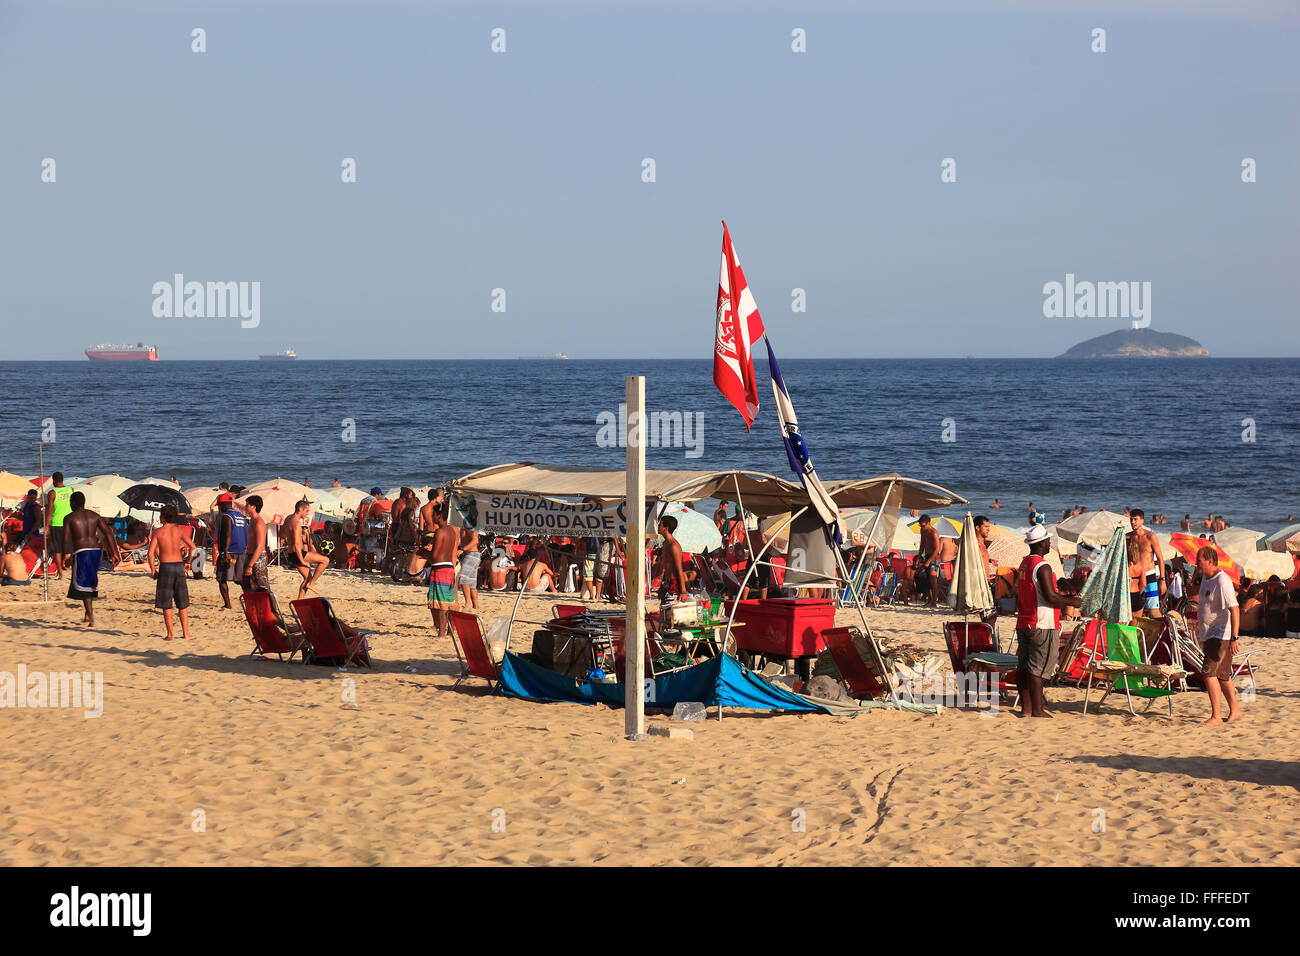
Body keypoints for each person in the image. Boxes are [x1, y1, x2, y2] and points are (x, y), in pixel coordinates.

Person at [1014, 526, 1081, 717]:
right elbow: (1050, 597)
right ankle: (1037, 710)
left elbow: (1034, 592)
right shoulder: (1042, 566)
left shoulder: (1024, 564)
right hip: (1042, 622)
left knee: (1024, 665)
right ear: (1042, 543)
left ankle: (1026, 708)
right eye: (1048, 540)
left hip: (1025, 620)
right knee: (1038, 668)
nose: (1050, 543)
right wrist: (1072, 601)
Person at [1195, 546, 1242, 724]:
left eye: (1199, 560)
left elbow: (1235, 608)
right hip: (1209, 634)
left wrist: (1235, 637)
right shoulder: (1205, 579)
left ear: (1210, 561)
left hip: (1220, 633)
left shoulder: (1222, 580)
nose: (1196, 563)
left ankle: (1216, 716)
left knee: (1208, 673)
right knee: (1222, 675)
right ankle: (1235, 711)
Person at [62, 491, 115, 626]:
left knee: (83, 583)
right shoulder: (94, 516)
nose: (69, 505)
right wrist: (113, 552)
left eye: (70, 503)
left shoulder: (69, 517)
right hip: (96, 551)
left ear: (73, 503)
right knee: (89, 581)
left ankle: (91, 617)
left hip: (82, 551)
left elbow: (66, 539)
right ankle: (87, 614)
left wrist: (65, 555)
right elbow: (108, 533)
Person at [148, 504, 196, 640]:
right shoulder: (179, 531)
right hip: (179, 566)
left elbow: (150, 553)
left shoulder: (158, 532)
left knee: (166, 602)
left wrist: (153, 569)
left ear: (162, 517)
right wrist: (188, 562)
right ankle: (186, 633)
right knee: (182, 602)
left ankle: (170, 634)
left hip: (165, 567)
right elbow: (193, 546)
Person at [426, 503, 459, 637]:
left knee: (441, 602)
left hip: (439, 568)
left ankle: (442, 632)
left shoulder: (440, 531)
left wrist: (425, 553)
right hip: (449, 567)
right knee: (449, 601)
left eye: (433, 515)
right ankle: (451, 631)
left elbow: (435, 555)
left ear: (439, 516)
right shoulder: (453, 530)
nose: (432, 517)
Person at [285, 499, 329, 599]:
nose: (308, 514)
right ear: (300, 509)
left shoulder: (288, 519)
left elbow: (282, 534)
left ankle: (300, 601)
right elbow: (296, 545)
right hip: (298, 553)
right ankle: (312, 583)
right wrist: (302, 561)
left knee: (307, 578)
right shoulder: (296, 523)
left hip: (292, 554)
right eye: (307, 511)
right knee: (325, 560)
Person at [213, 492, 250, 610]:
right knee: (240, 579)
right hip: (242, 550)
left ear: (222, 505)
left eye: (219, 505)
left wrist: (225, 551)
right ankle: (250, 601)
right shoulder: (241, 516)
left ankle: (228, 604)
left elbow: (227, 534)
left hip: (230, 551)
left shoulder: (226, 516)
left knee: (221, 578)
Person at [1126, 509, 1165, 618]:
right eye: (1131, 519)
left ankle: (1163, 632)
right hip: (1135, 578)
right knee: (1134, 611)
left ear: (1142, 521)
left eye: (1135, 519)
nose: (1133, 522)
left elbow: (1160, 559)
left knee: (1154, 611)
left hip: (1149, 577)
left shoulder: (1150, 536)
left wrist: (1162, 580)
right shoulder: (1127, 537)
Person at [43, 472, 74, 580]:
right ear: (62, 479)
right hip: (69, 522)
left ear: (53, 480)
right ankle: (66, 564)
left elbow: (49, 511)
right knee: (69, 547)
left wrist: (46, 526)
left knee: (57, 549)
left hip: (56, 523)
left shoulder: (52, 493)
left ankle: (60, 573)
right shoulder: (71, 490)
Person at [241, 495, 270, 592]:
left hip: (258, 557)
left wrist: (250, 565)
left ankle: (271, 607)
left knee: (262, 587)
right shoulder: (252, 521)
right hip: (250, 555)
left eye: (247, 505)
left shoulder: (259, 523)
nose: (245, 507)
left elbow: (260, 546)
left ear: (253, 506)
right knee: (246, 584)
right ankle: (254, 606)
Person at [657, 515, 687, 602]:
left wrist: (683, 591)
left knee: (670, 611)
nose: (658, 526)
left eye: (660, 524)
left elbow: (679, 569)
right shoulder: (665, 543)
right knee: (665, 612)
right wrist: (661, 586)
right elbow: (666, 568)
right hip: (667, 582)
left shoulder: (673, 546)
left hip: (674, 584)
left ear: (666, 528)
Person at [914, 515, 940, 608]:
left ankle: (934, 602)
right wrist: (919, 557)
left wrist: (929, 561)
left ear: (929, 523)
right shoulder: (923, 530)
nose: (922, 527)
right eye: (921, 526)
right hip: (927, 555)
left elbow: (937, 549)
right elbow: (922, 544)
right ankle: (929, 600)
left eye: (923, 525)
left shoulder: (934, 533)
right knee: (926, 579)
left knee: (933, 580)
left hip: (934, 557)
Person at [457, 525, 481, 610]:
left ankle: (468, 604)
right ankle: (476, 606)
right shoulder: (464, 524)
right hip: (471, 554)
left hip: (472, 554)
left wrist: (462, 549)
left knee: (463, 578)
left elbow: (475, 540)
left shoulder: (470, 524)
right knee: (471, 583)